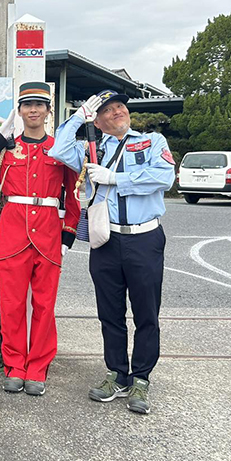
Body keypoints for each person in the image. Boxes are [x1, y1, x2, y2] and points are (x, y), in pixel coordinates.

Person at [49, 89, 175, 414]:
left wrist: (115, 178)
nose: (117, 111)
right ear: (99, 121)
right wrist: (78, 118)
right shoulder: (92, 148)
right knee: (110, 313)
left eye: (120, 106)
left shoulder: (152, 142)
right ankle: (117, 374)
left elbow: (164, 177)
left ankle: (141, 378)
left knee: (146, 313)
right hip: (105, 239)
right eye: (107, 109)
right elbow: (58, 148)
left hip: (143, 239)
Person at [0, 82, 80, 396]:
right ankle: (14, 366)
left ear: (47, 111)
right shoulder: (6, 149)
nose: (33, 111)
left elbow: (74, 195)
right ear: (20, 111)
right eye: (26, 105)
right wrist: (0, 136)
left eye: (38, 105)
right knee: (13, 306)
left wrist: (68, 237)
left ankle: (38, 368)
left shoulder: (60, 149)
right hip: (13, 236)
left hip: (49, 236)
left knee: (44, 306)